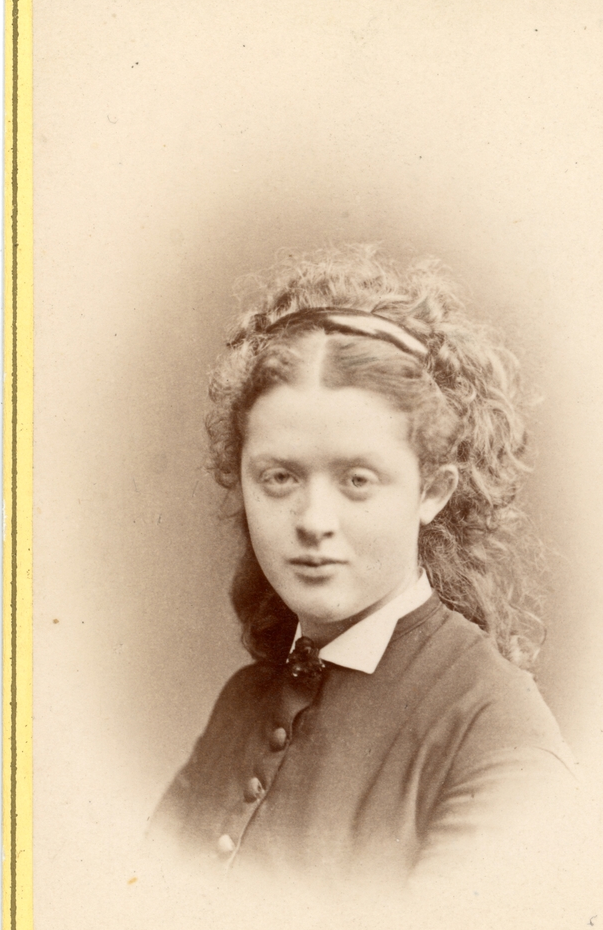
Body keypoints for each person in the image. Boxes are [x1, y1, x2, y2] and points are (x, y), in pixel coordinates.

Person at [151, 244, 577, 887]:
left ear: (432, 490)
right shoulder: (242, 703)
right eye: (279, 477)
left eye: (357, 479)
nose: (313, 520)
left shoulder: (495, 731)